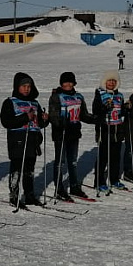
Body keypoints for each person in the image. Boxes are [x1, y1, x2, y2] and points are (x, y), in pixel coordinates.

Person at [0, 73, 49, 208]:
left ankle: (29, 195)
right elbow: (6, 122)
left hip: (33, 139)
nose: (27, 89)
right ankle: (14, 196)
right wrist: (24, 117)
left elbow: (39, 123)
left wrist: (45, 119)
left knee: (29, 169)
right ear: (17, 87)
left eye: (29, 86)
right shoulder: (10, 101)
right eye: (24, 86)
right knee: (17, 168)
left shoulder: (34, 102)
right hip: (17, 139)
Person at [48, 71, 96, 201]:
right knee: (60, 162)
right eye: (65, 82)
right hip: (61, 134)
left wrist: (97, 119)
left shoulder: (78, 97)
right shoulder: (56, 96)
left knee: (73, 162)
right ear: (61, 83)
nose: (68, 84)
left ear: (74, 83)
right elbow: (53, 115)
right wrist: (60, 123)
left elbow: (84, 115)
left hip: (74, 133)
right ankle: (59, 188)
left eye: (70, 82)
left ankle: (74, 186)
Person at [92, 70, 126, 193]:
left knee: (115, 157)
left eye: (113, 81)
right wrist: (104, 107)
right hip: (105, 128)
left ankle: (114, 179)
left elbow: (121, 112)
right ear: (104, 82)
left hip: (117, 129)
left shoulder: (119, 95)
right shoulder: (100, 94)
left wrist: (126, 109)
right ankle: (99, 181)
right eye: (109, 80)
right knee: (103, 157)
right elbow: (95, 110)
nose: (111, 83)